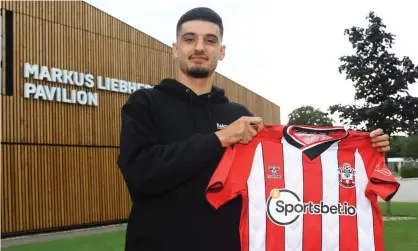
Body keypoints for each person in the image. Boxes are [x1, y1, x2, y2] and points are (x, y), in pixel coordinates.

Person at [117, 7, 391, 251]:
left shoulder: (239, 116)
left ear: (221, 51)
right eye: (189, 39)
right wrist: (220, 138)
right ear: (175, 47)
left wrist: (362, 149)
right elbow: (140, 173)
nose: (200, 47)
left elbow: (295, 163)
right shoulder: (145, 103)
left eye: (210, 40)